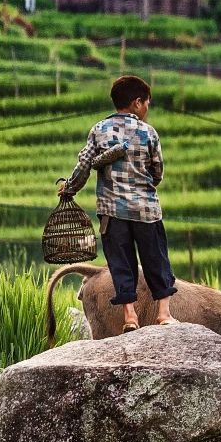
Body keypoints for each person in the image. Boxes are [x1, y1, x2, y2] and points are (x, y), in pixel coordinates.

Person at [59, 75, 177, 332]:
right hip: (146, 211)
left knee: (121, 263)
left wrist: (68, 189)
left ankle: (130, 317)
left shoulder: (98, 130)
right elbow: (157, 172)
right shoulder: (148, 132)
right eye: (146, 103)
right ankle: (165, 314)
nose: (147, 109)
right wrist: (145, 184)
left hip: (112, 212)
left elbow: (83, 167)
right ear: (137, 103)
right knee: (156, 259)